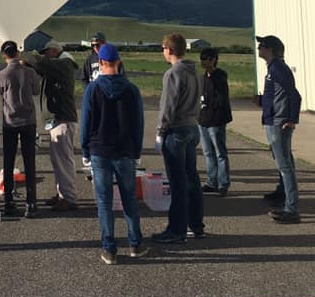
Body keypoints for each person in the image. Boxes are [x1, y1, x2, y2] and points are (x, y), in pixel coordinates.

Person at [80, 43, 147, 264]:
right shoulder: (131, 90)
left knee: (104, 201)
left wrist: (85, 149)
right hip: (125, 150)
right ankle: (135, 243)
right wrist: (136, 149)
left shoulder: (92, 89)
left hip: (100, 149)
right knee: (129, 199)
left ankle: (109, 248)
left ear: (100, 63)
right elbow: (138, 123)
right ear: (119, 62)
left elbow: (86, 122)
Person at [151, 33, 204, 244]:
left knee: (178, 182)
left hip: (177, 130)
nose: (163, 52)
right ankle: (196, 224)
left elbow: (168, 106)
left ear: (169, 50)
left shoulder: (173, 73)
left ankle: (177, 229)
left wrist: (160, 131)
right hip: (192, 126)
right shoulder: (194, 72)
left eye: (163, 48)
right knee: (192, 178)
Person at [25, 39, 79, 210]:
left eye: (46, 52)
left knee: (63, 160)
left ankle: (69, 198)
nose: (44, 56)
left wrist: (28, 54)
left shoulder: (63, 64)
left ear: (54, 51)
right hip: (58, 119)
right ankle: (62, 193)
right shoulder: (61, 65)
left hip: (62, 119)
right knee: (59, 160)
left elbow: (38, 62)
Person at [256, 35, 302, 224]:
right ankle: (282, 193)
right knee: (282, 160)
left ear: (271, 49)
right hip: (273, 120)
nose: (259, 48)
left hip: (279, 122)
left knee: (285, 166)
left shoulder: (278, 69)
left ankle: (291, 208)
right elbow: (276, 96)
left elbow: (294, 96)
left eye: (262, 45)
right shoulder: (273, 69)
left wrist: (291, 119)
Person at [0, 40, 41, 218]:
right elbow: (36, 91)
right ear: (18, 53)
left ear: (4, 55)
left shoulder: (1, 75)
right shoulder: (29, 72)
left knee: (8, 161)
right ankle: (31, 203)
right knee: (30, 162)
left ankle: (8, 202)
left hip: (10, 122)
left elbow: (0, 93)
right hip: (28, 121)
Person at [198, 47, 233, 196]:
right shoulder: (203, 77)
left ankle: (223, 183)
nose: (204, 62)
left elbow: (221, 98)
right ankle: (211, 182)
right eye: (202, 59)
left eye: (207, 59)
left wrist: (209, 104)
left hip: (216, 120)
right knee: (208, 152)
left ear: (214, 60)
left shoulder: (219, 77)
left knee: (220, 153)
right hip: (203, 119)